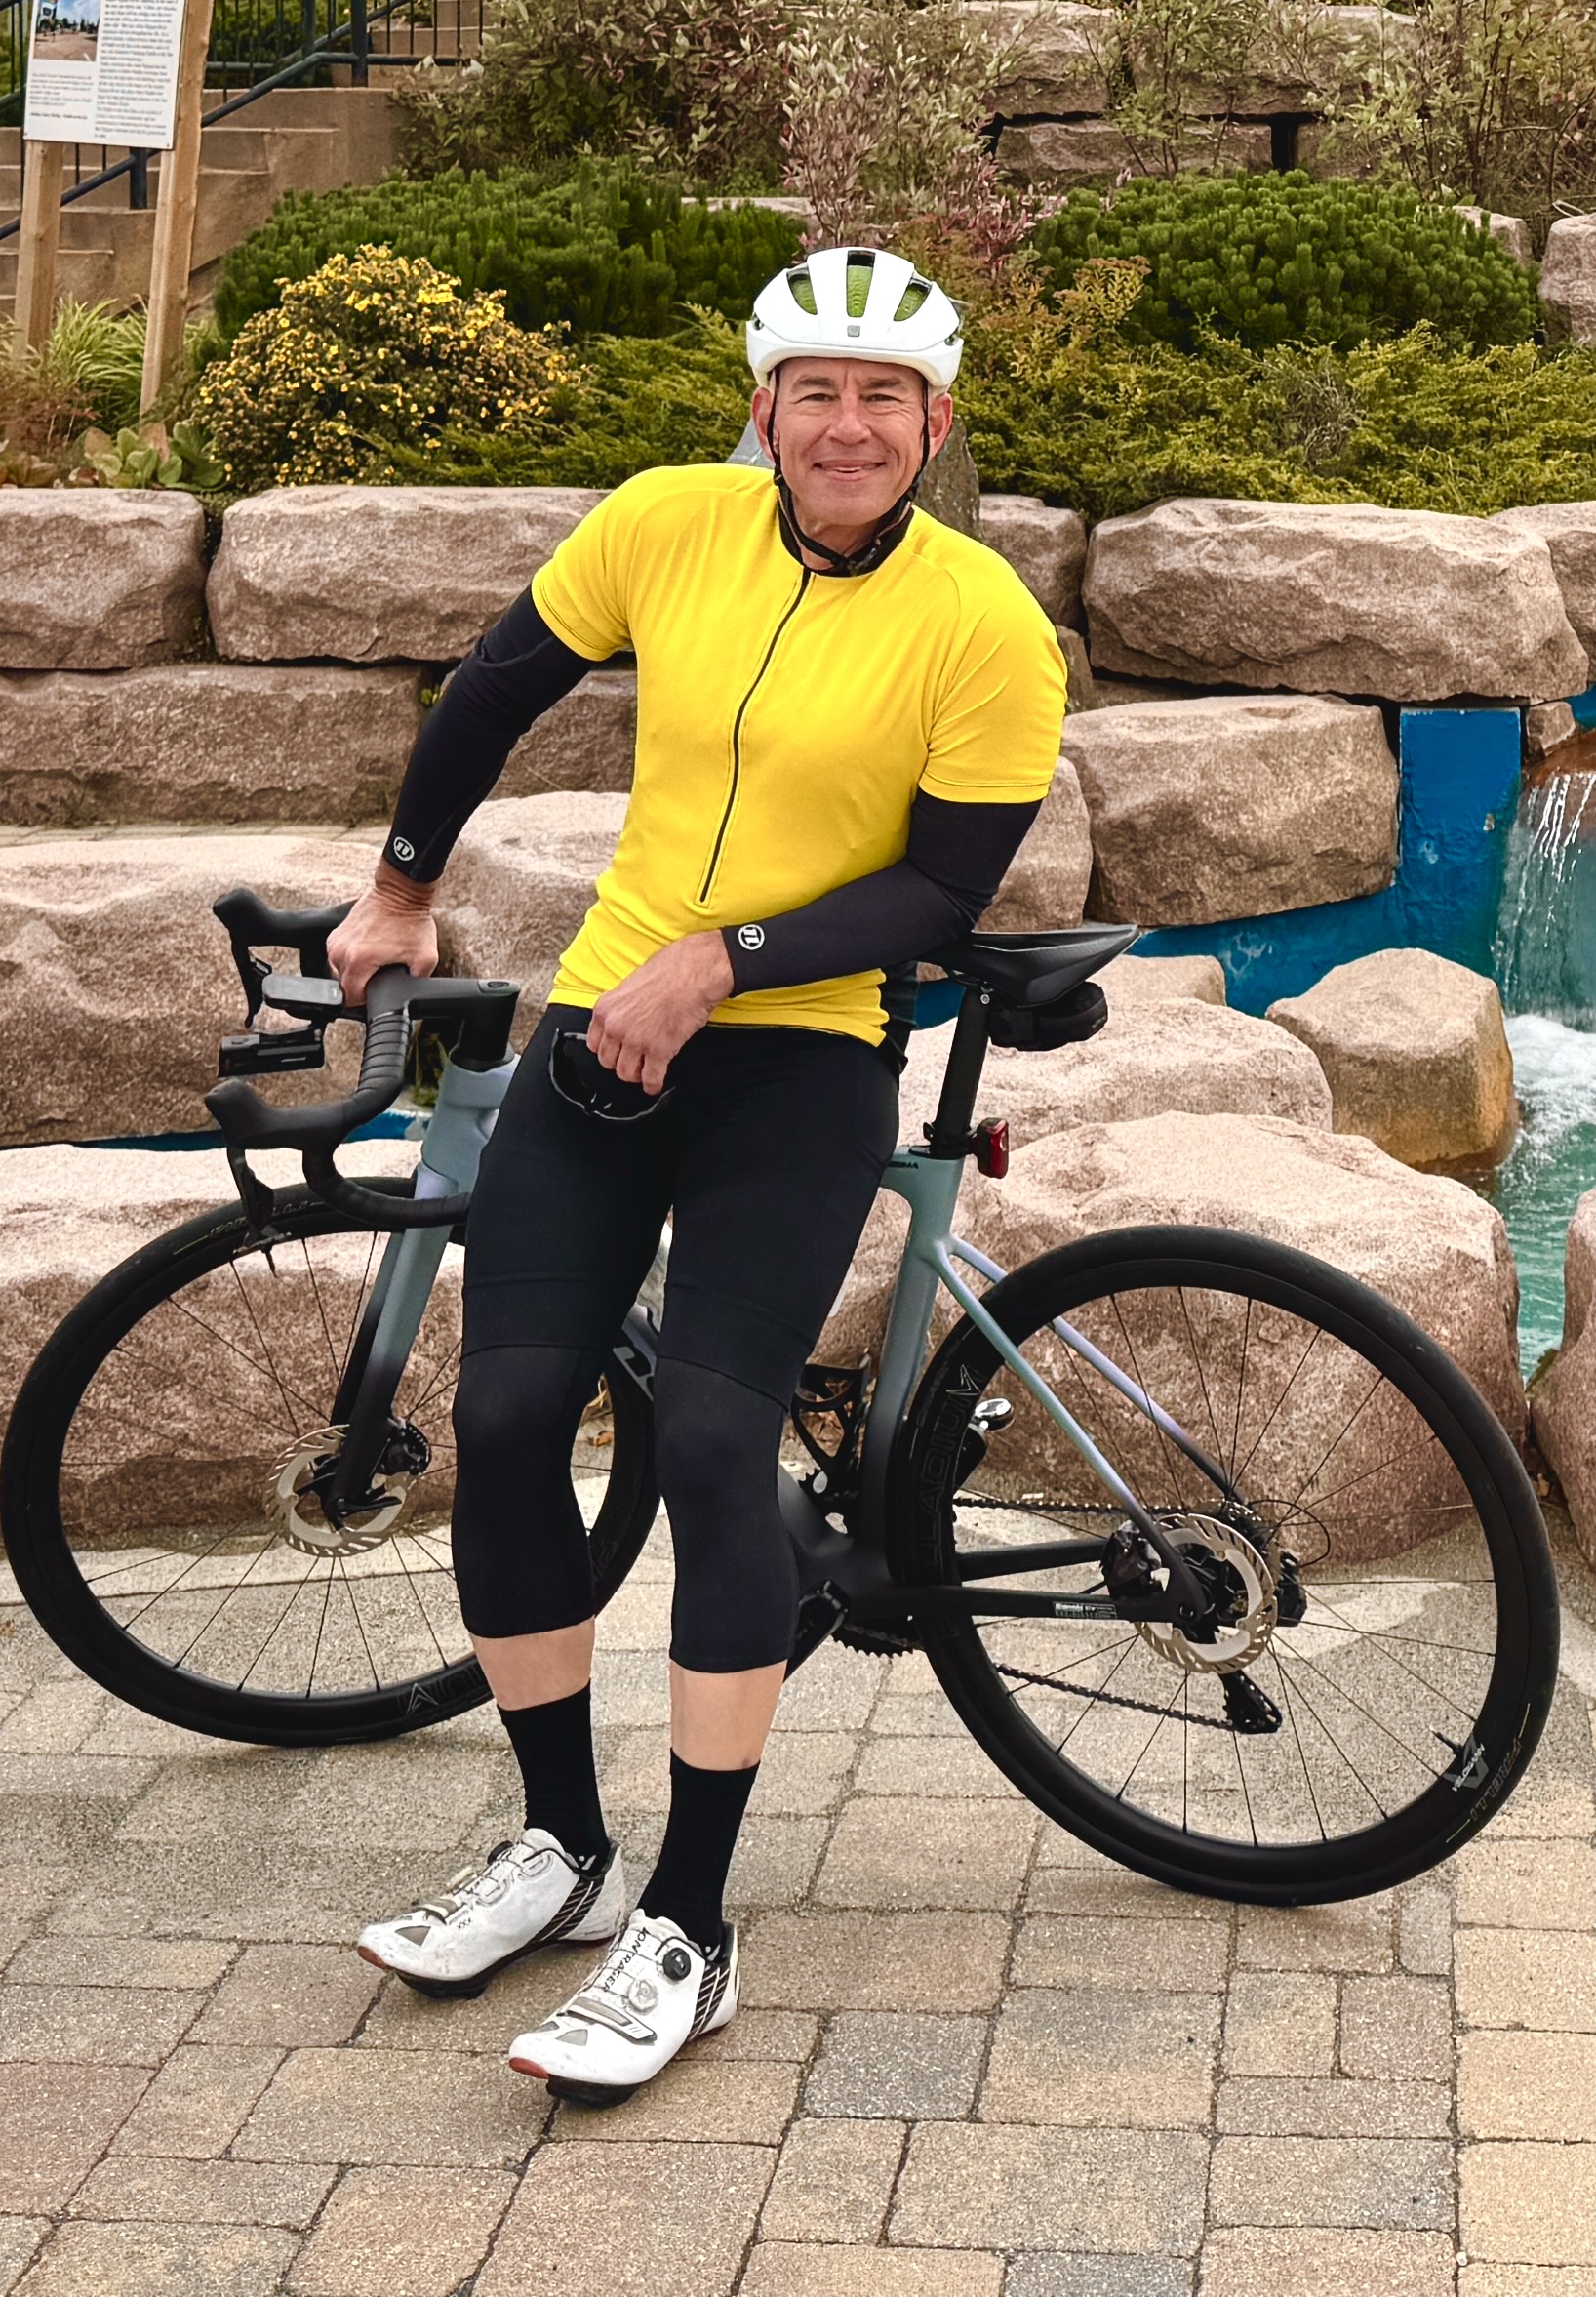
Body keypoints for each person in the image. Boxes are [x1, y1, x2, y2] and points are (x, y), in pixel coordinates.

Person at [329, 243, 1066, 2101]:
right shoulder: (669, 525)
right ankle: (563, 1849)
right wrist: (405, 877)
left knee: (722, 1447)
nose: (844, 424)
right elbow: (497, 684)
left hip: (803, 1051)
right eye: (812, 390)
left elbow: (940, 895)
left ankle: (692, 1917)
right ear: (764, 410)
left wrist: (726, 961)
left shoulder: (984, 623)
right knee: (504, 1421)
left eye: (881, 399)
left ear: (934, 428)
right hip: (608, 1030)